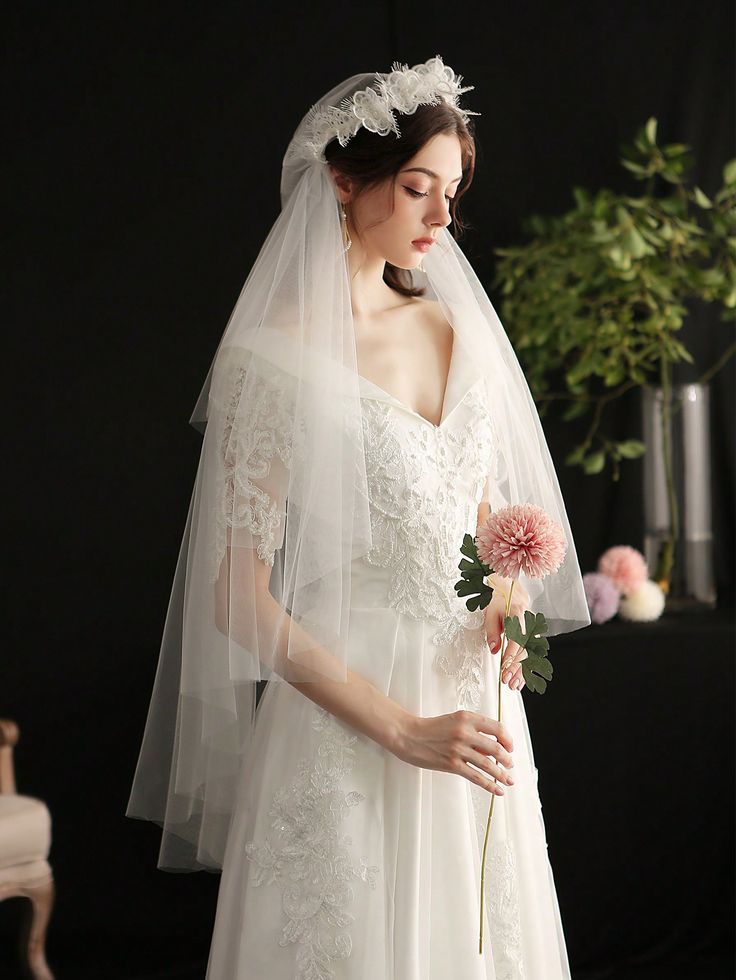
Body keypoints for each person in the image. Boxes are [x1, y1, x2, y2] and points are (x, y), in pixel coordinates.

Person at [126, 55, 591, 979]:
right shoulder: (276, 358)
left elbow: (484, 509)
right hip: (351, 714)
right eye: (417, 188)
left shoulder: (448, 328)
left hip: (473, 708)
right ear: (344, 180)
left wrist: (510, 596)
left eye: (451, 192)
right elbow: (236, 596)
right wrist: (400, 729)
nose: (440, 218)